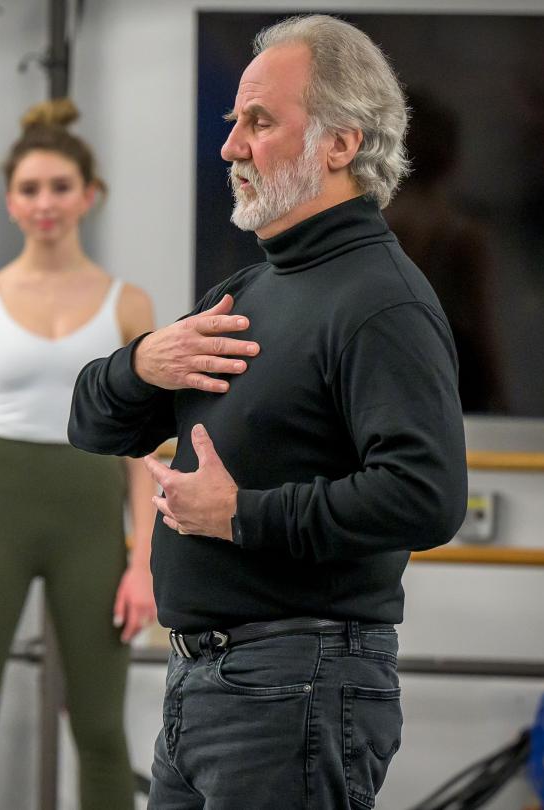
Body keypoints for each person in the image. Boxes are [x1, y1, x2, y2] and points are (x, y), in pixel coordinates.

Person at [68, 14, 467, 810]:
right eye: (234, 122)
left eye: (259, 122)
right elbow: (94, 424)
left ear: (340, 144)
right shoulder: (250, 291)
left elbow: (427, 495)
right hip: (205, 685)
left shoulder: (380, 301)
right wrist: (142, 361)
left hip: (298, 688)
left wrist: (242, 514)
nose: (231, 148)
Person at [0, 98, 158, 810]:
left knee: (101, 731)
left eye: (59, 187)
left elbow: (144, 454)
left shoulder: (130, 306)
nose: (45, 202)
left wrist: (144, 561)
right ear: (10, 201)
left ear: (89, 196)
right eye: (29, 189)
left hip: (90, 520)